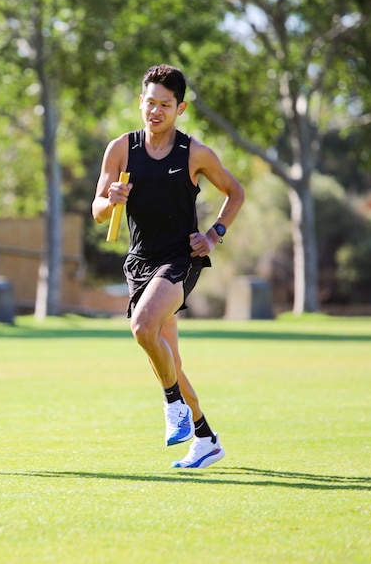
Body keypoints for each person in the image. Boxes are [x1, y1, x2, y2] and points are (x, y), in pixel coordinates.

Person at [92, 64, 245, 469]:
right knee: (169, 361)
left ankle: (173, 404)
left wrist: (214, 235)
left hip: (181, 259)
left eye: (165, 104)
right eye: (149, 103)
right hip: (139, 262)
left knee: (142, 327)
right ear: (140, 102)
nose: (155, 111)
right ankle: (206, 438)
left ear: (181, 108)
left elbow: (235, 192)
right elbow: (96, 211)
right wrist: (112, 198)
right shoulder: (121, 149)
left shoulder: (194, 152)